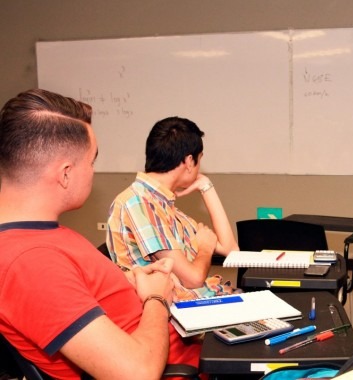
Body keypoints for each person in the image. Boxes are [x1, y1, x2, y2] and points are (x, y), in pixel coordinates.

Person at [0, 89, 200, 379]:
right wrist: (157, 297)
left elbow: (84, 292)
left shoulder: (44, 236)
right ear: (65, 173)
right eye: (91, 161)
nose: (93, 172)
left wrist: (132, 280)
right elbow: (137, 373)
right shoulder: (31, 261)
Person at [107, 116, 239, 300]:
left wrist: (206, 186)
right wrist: (205, 249)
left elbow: (231, 250)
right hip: (184, 314)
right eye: (199, 160)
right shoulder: (139, 203)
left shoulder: (165, 206)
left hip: (209, 301)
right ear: (189, 161)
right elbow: (193, 280)